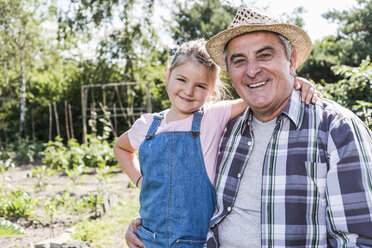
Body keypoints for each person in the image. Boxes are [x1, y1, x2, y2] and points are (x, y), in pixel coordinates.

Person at [125, 5, 372, 248]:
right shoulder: (224, 129)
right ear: (230, 72)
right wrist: (150, 227)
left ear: (291, 60)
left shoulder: (336, 129)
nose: (252, 70)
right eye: (239, 60)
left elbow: (360, 241)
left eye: (265, 55)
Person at [115, 38, 318, 248]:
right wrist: (140, 181)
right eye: (181, 80)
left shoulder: (212, 117)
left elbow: (258, 94)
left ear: (211, 91)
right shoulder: (147, 125)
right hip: (148, 239)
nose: (188, 91)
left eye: (200, 85)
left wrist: (294, 82)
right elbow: (121, 148)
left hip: (198, 242)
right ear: (167, 76)